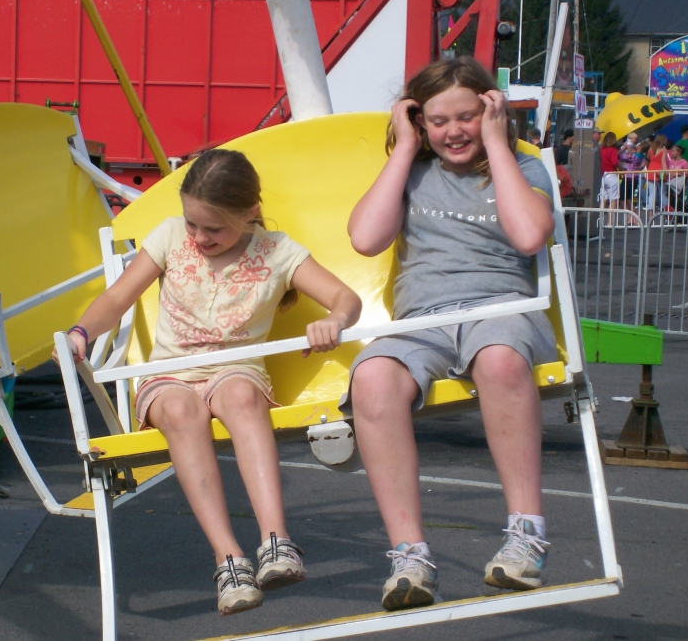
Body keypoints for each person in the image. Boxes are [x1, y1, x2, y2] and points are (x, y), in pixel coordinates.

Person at [56, 149, 362, 616]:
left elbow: (345, 297)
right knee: (181, 411)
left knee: (240, 394)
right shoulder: (171, 237)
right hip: (170, 374)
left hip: (235, 370)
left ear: (250, 213)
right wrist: (80, 332)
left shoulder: (277, 251)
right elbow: (118, 296)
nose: (199, 237)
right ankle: (228, 559)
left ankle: (276, 541)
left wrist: (335, 319)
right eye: (192, 224)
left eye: (213, 229)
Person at [345, 56, 557, 611]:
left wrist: (500, 144)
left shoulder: (522, 169)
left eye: (468, 116)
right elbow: (366, 239)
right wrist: (404, 149)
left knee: (500, 362)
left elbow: (531, 234)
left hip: (501, 308)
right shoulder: (411, 173)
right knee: (370, 378)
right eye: (438, 121)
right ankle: (409, 555)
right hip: (424, 320)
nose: (454, 131)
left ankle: (525, 534)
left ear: (492, 110)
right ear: (417, 122)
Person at [600, 132, 620, 227]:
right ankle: (610, 222)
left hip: (603, 174)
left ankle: (599, 220)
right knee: (613, 199)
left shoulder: (601, 149)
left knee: (603, 198)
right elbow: (615, 162)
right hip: (611, 174)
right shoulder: (613, 150)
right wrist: (621, 169)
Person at [646, 134, 668, 213]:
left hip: (650, 170)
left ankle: (650, 214)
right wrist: (666, 172)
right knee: (662, 193)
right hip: (659, 171)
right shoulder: (663, 150)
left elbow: (648, 160)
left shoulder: (650, 149)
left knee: (652, 194)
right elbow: (663, 162)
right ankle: (665, 212)